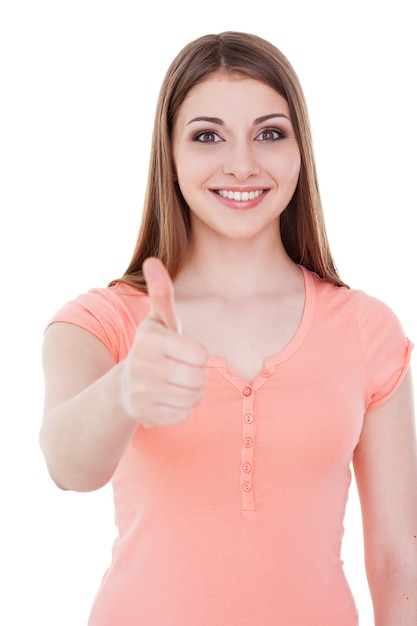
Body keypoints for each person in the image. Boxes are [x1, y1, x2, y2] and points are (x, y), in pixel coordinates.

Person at [39, 31, 417, 626]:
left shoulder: (367, 328)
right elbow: (68, 467)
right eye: (207, 136)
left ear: (300, 151)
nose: (241, 164)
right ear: (170, 153)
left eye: (270, 133)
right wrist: (126, 388)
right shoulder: (99, 320)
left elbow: (398, 556)